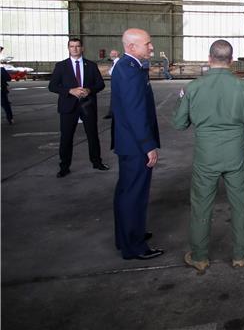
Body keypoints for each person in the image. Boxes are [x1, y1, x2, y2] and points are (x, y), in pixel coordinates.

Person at [174, 40, 244, 272]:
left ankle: (200, 257)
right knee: (239, 204)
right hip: (235, 153)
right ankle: (239, 255)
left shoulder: (194, 87)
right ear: (232, 61)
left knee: (201, 206)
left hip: (206, 155)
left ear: (209, 58)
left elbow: (179, 123)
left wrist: (182, 98)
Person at [112, 28, 163, 260]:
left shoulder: (127, 67)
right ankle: (135, 247)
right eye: (147, 44)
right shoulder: (130, 71)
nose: (151, 47)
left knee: (126, 192)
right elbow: (135, 113)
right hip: (135, 145)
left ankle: (126, 236)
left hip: (127, 143)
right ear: (131, 47)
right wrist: (147, 145)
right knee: (134, 195)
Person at [48, 38, 108, 177]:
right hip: (68, 106)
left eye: (77, 46)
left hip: (87, 105)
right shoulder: (61, 66)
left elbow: (100, 84)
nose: (74, 49)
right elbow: (52, 86)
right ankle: (64, 167)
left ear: (82, 48)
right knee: (66, 137)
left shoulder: (91, 65)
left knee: (92, 136)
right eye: (71, 46)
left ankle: (97, 162)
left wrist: (89, 90)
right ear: (68, 48)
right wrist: (70, 91)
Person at [103, 49, 120, 119]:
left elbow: (112, 72)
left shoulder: (118, 62)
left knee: (116, 98)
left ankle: (113, 113)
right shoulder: (114, 62)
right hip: (115, 83)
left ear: (117, 54)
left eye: (114, 53)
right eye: (111, 53)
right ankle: (112, 113)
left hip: (118, 84)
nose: (112, 55)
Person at [1, 57, 12, 125]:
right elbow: (9, 78)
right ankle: (10, 118)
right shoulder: (2, 69)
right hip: (2, 90)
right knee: (6, 105)